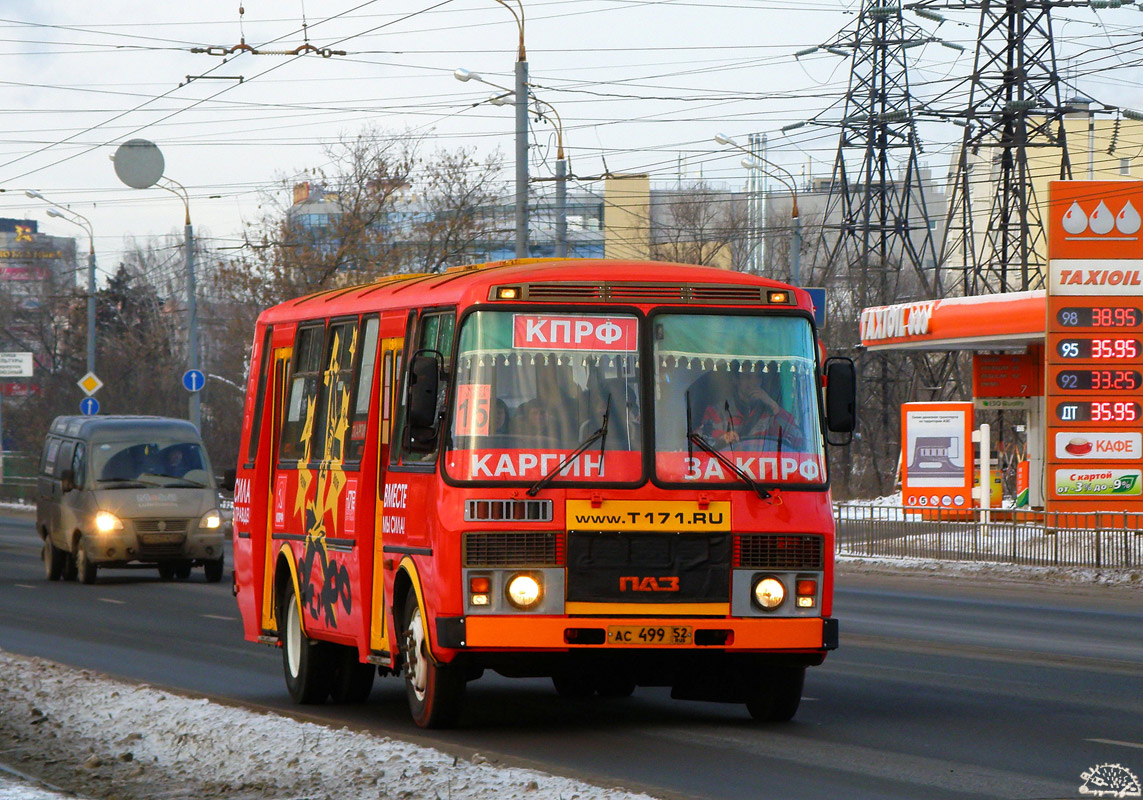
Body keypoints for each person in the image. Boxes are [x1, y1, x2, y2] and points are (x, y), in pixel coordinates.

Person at [696, 367, 804, 449]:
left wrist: (774, 407)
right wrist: (723, 437)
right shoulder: (717, 411)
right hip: (728, 471)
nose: (754, 382)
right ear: (735, 380)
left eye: (758, 377)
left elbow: (798, 440)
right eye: (748, 377)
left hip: (763, 474)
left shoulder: (771, 412)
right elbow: (698, 438)